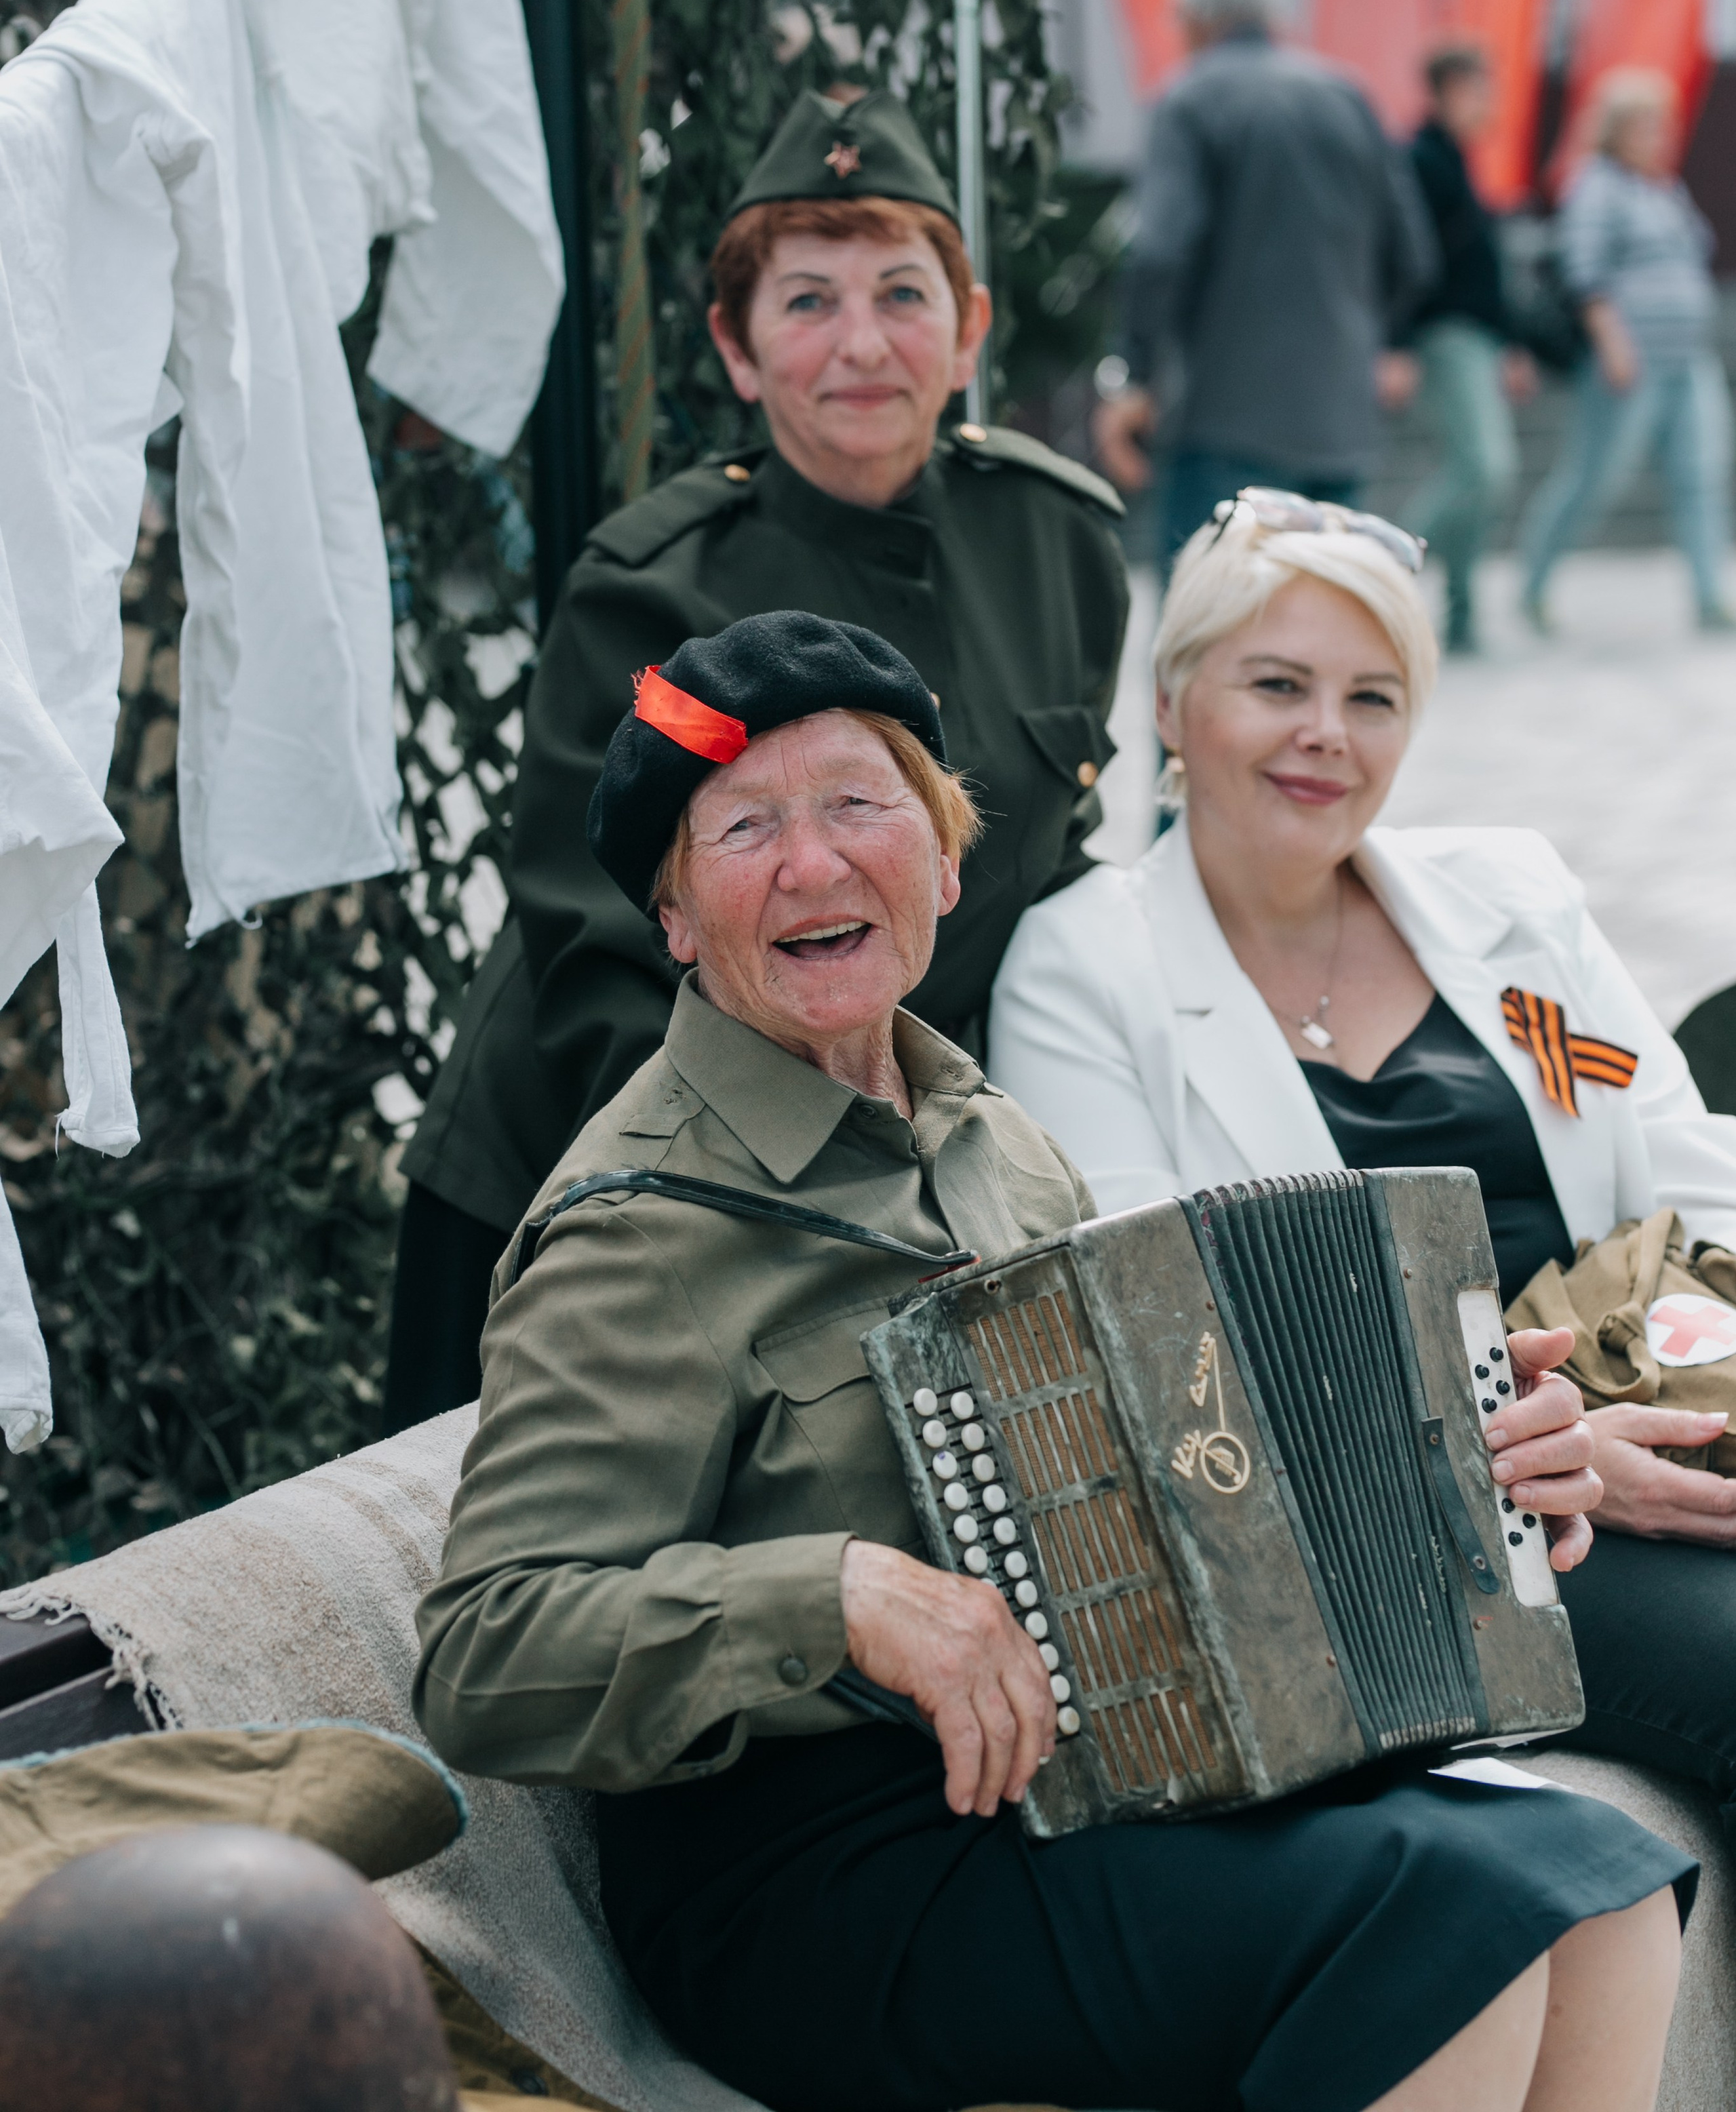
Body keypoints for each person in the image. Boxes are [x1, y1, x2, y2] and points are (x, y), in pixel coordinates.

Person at [414, 607, 1689, 2112]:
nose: (812, 864)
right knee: (1444, 1919)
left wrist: (1454, 1469)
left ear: (943, 864)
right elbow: (482, 1655)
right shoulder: (634, 1226)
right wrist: (833, 1598)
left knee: (1599, 1880)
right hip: (813, 1877)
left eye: (857, 805)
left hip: (1063, 1776)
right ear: (676, 916)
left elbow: (1155, 1484)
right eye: (743, 827)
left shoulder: (990, 1140)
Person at [990, 488, 1736, 1843]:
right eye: (1276, 684)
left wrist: (1680, 1383)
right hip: (1418, 1531)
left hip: (1642, 1411)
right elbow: (1167, 1346)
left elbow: (1676, 1158)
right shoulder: (1086, 968)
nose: (1325, 735)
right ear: (1169, 703)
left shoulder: (1505, 912)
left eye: (1371, 697)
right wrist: (1553, 1459)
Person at [384, 84, 1128, 1430]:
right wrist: (810, 1197)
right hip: (602, 1167)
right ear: (736, 347)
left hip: (893, 1154)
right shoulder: (652, 591)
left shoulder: (1059, 542)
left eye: (903, 294)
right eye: (805, 302)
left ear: (966, 331)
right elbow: (595, 956)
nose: (861, 345)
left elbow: (1046, 888)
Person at [1092, 0, 1435, 567]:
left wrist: (1132, 375)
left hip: (1225, 417)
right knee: (1326, 618)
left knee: (1207, 630)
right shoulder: (1348, 97)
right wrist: (1379, 339)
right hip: (1339, 419)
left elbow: (1161, 251)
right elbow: (1412, 252)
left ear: (1192, 18)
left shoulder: (1188, 101)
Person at [1519, 67, 1735, 634]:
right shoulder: (1598, 186)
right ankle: (1534, 582)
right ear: (1615, 131)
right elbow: (1585, 275)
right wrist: (1614, 344)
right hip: (1630, 362)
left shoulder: (1663, 188)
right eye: (1645, 128)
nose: (1658, 139)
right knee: (1595, 477)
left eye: (1661, 128)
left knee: (1701, 473)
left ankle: (1709, 593)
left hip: (1688, 358)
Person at [1397, 41, 1537, 654]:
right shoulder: (1421, 161)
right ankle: (1384, 566)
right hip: (1444, 334)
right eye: (1479, 88)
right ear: (1447, 89)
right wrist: (1396, 343)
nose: (1488, 103)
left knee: (1480, 474)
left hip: (1475, 336)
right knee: (1483, 468)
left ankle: (1461, 613)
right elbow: (1405, 260)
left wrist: (1509, 343)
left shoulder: (1456, 159)